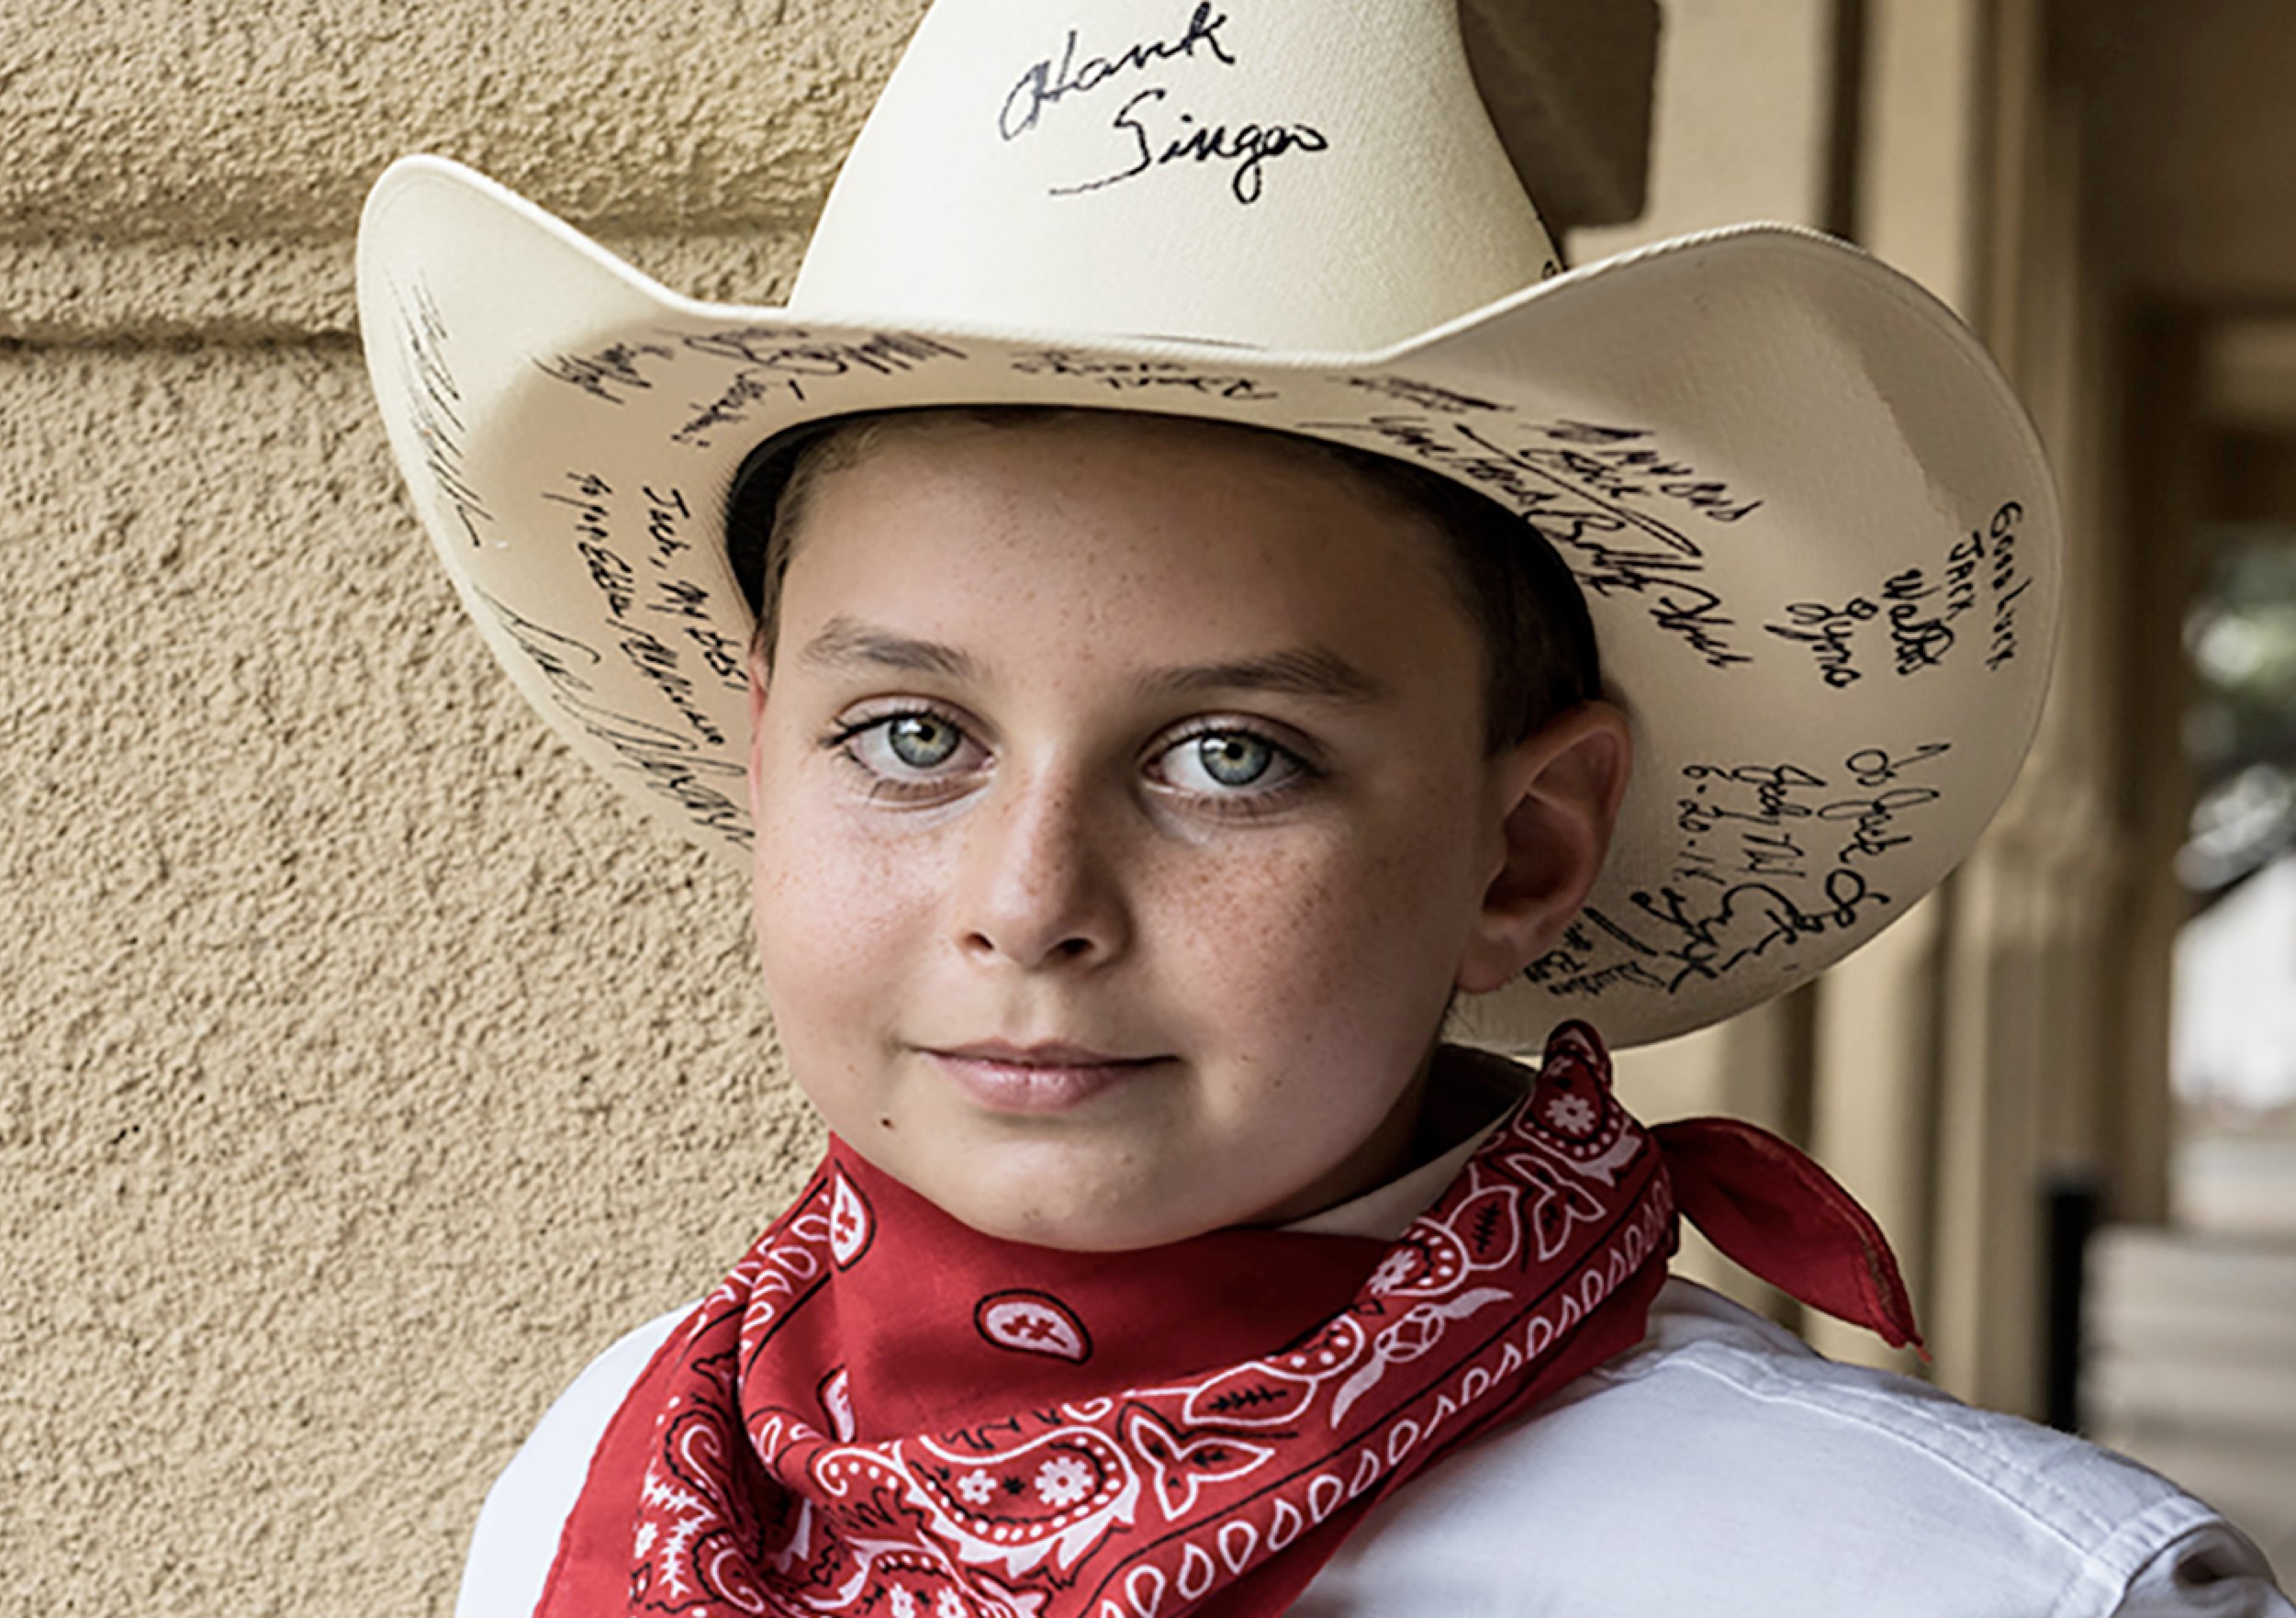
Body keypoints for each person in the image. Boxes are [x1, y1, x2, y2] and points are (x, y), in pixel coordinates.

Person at [352, 1, 2296, 1612]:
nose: (1030, 903)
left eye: (1230, 757)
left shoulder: (1947, 1585)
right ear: (772, 754)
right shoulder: (616, 1467)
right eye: (913, 735)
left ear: (1521, 849)